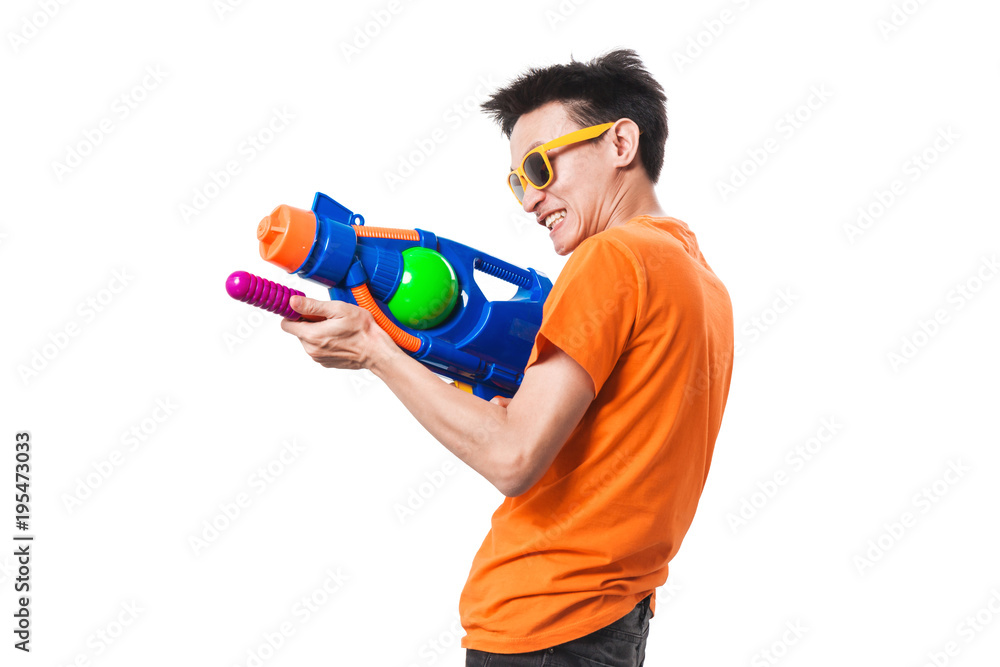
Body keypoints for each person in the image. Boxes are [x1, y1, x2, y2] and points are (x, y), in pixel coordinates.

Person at [280, 49, 734, 667]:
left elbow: (512, 457)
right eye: (519, 179)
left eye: (542, 166)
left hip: (545, 621)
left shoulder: (612, 259)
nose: (529, 199)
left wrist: (372, 349)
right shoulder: (698, 278)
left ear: (620, 143)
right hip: (613, 618)